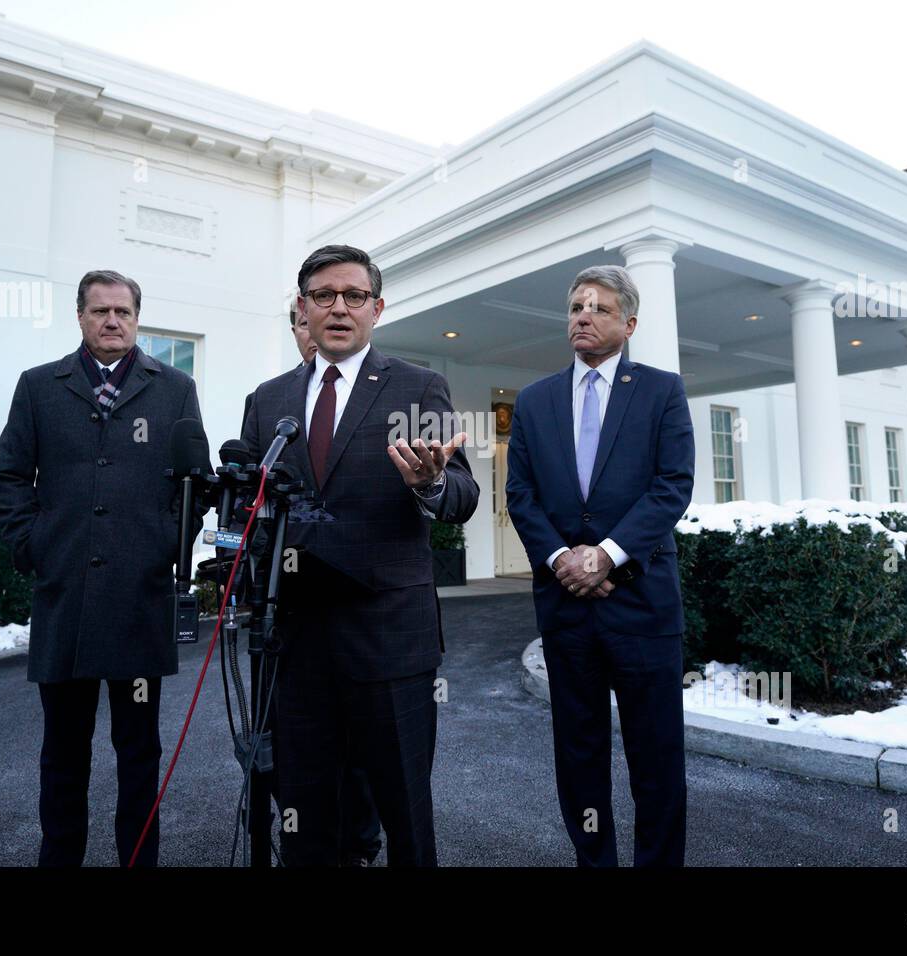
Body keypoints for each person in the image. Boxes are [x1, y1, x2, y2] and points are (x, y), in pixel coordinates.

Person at [241, 244, 479, 867]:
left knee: (403, 808)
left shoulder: (416, 386)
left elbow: (462, 495)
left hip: (388, 636)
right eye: (324, 296)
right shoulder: (268, 400)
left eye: (353, 297)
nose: (338, 308)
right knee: (304, 811)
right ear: (304, 308)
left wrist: (429, 483)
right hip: (294, 641)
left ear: (377, 308)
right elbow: (251, 504)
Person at [0, 269, 205, 867]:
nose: (113, 321)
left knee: (139, 753)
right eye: (100, 311)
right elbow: (6, 479)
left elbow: (195, 485)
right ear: (80, 317)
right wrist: (34, 545)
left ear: (138, 319)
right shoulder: (39, 387)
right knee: (63, 752)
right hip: (65, 598)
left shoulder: (175, 388)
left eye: (124, 313)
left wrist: (168, 544)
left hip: (141, 596)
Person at [505, 264, 695, 867]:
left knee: (656, 756)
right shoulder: (534, 401)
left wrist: (606, 555)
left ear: (629, 323)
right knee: (580, 755)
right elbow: (522, 495)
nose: (583, 316)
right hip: (566, 609)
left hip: (641, 605)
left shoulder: (661, 390)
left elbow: (672, 487)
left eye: (600, 308)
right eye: (576, 307)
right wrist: (563, 558)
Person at [241, 305, 384, 867]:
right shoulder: (272, 405)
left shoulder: (377, 395)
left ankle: (360, 845)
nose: (313, 333)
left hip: (361, 611)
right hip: (286, 612)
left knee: (360, 748)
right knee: (289, 743)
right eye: (301, 325)